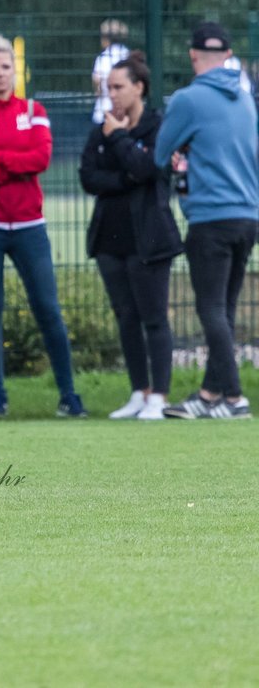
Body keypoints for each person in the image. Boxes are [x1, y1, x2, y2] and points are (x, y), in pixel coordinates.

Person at [0, 34, 86, 419]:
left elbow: (40, 158)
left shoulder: (34, 109)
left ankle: (69, 395)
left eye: (7, 67)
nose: (2, 74)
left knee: (48, 310)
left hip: (30, 225)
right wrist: (5, 163)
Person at [155, 22, 259, 420]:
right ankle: (209, 393)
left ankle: (234, 397)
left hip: (211, 216)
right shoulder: (246, 99)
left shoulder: (189, 98)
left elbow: (160, 155)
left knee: (211, 309)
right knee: (226, 308)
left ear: (193, 56)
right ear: (229, 57)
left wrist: (183, 156)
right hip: (247, 216)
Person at [79, 52, 182, 420]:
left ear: (140, 88)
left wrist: (120, 140)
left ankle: (160, 396)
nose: (113, 96)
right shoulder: (101, 129)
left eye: (119, 87)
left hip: (149, 239)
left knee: (153, 317)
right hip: (110, 239)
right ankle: (140, 391)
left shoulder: (159, 127)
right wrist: (125, 178)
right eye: (108, 89)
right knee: (126, 317)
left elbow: (147, 166)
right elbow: (89, 177)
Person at [91, 19, 130, 125]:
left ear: (105, 38)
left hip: (104, 112)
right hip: (126, 113)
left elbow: (97, 83)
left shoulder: (102, 58)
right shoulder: (128, 55)